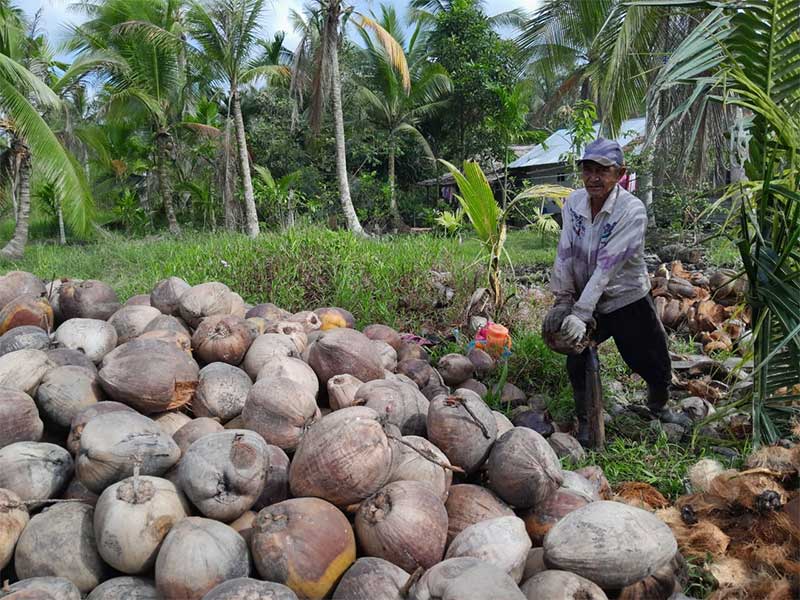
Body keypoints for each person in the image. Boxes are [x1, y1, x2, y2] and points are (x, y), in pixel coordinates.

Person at [542, 137, 689, 446]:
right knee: (578, 358)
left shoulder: (631, 211)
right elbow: (565, 251)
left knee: (653, 359)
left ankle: (659, 406)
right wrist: (564, 300)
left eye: (603, 171)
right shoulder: (574, 203)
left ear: (620, 173)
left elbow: (607, 266)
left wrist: (581, 313)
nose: (594, 178)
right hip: (584, 295)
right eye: (588, 170)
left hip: (626, 298)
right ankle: (587, 421)